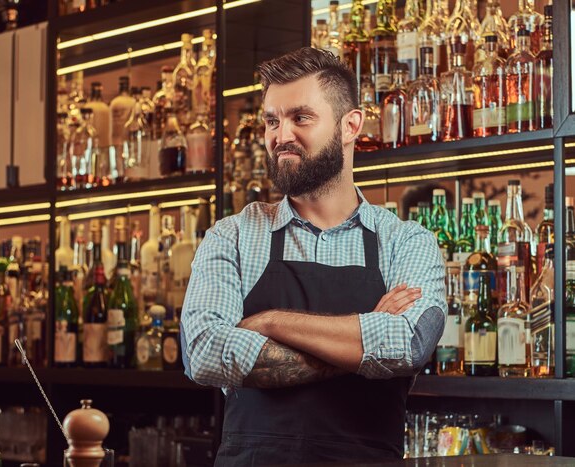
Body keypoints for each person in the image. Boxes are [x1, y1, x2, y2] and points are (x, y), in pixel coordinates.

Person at [181, 47, 446, 466]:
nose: (280, 135)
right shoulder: (231, 236)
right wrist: (362, 345)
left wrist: (269, 322)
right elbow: (204, 353)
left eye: (300, 117)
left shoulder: (406, 242)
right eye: (272, 120)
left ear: (350, 125)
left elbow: (410, 344)